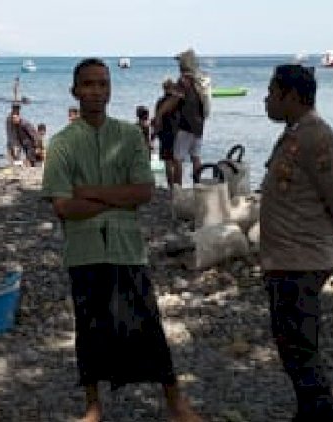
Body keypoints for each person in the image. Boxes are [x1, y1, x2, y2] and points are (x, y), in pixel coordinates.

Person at [41, 58, 202, 422]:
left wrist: (91, 193)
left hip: (126, 247)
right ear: (75, 91)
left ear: (110, 89)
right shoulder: (62, 144)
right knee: (90, 326)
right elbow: (64, 206)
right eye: (88, 84)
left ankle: (175, 401)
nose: (96, 91)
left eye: (102, 83)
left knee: (148, 323)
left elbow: (143, 191)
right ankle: (93, 404)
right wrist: (114, 196)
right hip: (84, 249)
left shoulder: (129, 136)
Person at [261, 64, 333, 422]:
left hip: (301, 260)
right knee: (290, 343)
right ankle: (309, 410)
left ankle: (319, 412)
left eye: (272, 93)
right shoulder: (295, 133)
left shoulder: (318, 138)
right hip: (285, 258)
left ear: (293, 96)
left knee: (300, 345)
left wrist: (324, 240)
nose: (266, 100)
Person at [157, 49, 210, 185]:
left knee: (177, 159)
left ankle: (178, 188)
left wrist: (160, 113)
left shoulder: (184, 80)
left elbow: (175, 99)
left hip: (186, 125)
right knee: (196, 157)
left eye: (180, 61)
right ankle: (198, 185)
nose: (178, 64)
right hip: (199, 125)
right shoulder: (200, 79)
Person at [154, 79, 181, 190]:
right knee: (177, 161)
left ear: (164, 88)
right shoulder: (178, 100)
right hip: (177, 132)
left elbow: (157, 118)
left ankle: (171, 187)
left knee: (168, 162)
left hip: (165, 133)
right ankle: (179, 186)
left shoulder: (160, 101)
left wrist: (156, 133)